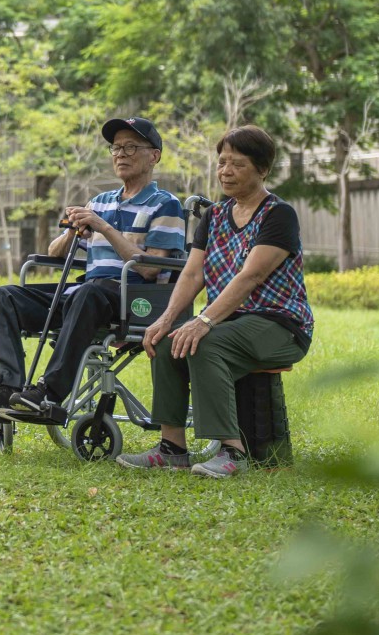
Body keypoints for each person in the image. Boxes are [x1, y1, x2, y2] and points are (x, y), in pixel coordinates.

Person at [0, 117, 185, 424]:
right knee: (5, 296)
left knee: (90, 291)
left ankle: (49, 393)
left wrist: (103, 227)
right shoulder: (100, 202)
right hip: (86, 296)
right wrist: (71, 232)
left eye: (131, 147)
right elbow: (54, 254)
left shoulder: (165, 204)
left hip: (132, 297)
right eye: (116, 147)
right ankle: (6, 386)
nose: (121, 154)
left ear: (154, 155)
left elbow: (151, 269)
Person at [116, 124, 313, 478]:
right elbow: (192, 275)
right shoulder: (215, 216)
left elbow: (250, 277)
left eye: (237, 164)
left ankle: (231, 452)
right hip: (231, 321)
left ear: (262, 169)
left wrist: (204, 320)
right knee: (166, 341)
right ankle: (172, 447)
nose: (225, 171)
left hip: (280, 324)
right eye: (221, 163)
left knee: (204, 343)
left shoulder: (278, 214)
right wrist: (165, 319)